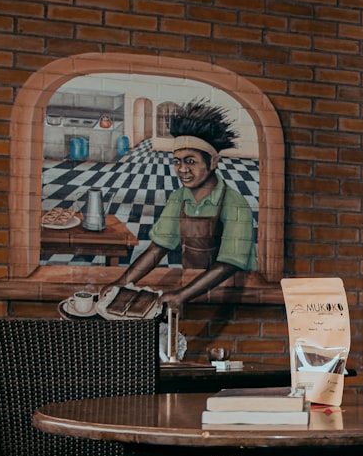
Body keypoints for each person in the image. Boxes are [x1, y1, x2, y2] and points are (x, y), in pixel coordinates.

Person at [102, 99, 257, 312]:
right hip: (195, 286)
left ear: (212, 162)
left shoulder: (234, 203)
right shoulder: (179, 198)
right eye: (177, 161)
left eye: (190, 161)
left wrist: (182, 295)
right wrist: (123, 281)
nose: (182, 169)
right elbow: (158, 248)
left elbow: (228, 264)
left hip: (231, 294)